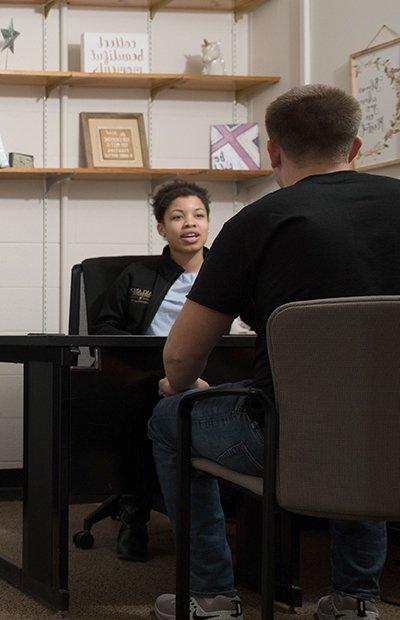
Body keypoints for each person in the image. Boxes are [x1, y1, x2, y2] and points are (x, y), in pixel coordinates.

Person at [148, 84, 400, 620]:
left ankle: (212, 594)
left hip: (287, 442)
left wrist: (181, 384)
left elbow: (179, 358)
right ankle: (356, 598)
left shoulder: (256, 222)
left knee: (172, 415)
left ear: (274, 152)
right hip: (391, 437)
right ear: (355, 148)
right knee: (370, 416)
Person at [90, 180, 212, 562]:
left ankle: (215, 529)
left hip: (213, 372)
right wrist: (159, 373)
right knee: (135, 416)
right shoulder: (137, 275)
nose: (189, 224)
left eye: (198, 215)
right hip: (148, 375)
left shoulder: (225, 272)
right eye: (177, 217)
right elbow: (104, 328)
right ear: (161, 227)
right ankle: (135, 516)